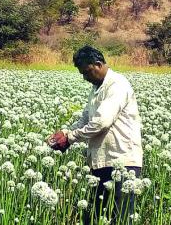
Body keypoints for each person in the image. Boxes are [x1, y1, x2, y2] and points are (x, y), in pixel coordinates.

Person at [47, 46, 143, 224]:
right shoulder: (97, 88)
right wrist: (65, 133)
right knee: (99, 218)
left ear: (98, 64)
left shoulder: (117, 86)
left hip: (121, 163)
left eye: (86, 72)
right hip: (102, 162)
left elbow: (101, 121)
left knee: (118, 218)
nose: (84, 78)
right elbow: (86, 119)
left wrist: (70, 138)